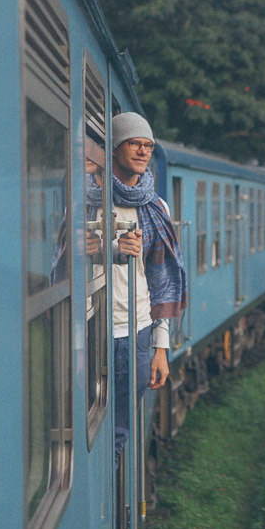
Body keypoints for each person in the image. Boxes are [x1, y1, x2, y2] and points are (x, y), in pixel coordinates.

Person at [110, 112, 187, 467]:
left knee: (119, 433)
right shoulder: (86, 199)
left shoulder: (156, 208)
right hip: (93, 329)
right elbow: (67, 258)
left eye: (148, 146)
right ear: (115, 147)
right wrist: (110, 248)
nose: (142, 151)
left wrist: (161, 347)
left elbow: (162, 286)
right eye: (134, 143)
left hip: (138, 333)